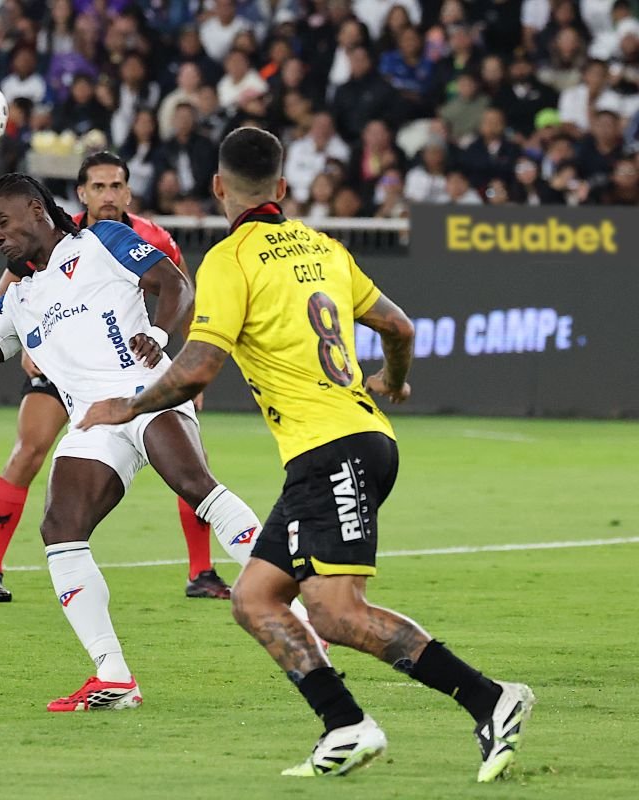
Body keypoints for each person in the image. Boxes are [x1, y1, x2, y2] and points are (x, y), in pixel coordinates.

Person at [78, 128, 534, 780]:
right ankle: (346, 726)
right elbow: (398, 328)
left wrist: (129, 405)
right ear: (283, 188)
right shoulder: (324, 248)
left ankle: (491, 699)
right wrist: (394, 379)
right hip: (347, 444)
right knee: (256, 597)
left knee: (336, 612)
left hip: (334, 450)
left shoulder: (230, 259)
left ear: (217, 187)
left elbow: (201, 365)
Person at [0, 174, 274, 712]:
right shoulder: (18, 301)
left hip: (146, 389)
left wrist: (160, 336)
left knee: (195, 487)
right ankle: (113, 675)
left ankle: (299, 612)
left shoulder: (101, 241)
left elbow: (176, 284)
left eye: (1, 222)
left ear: (35, 209)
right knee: (60, 530)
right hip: (93, 421)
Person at [0, 151, 230, 604]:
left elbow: (184, 291)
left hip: (130, 363)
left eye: (116, 186)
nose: (108, 194)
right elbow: (5, 293)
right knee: (29, 449)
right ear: (81, 193)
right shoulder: (45, 231)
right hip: (60, 364)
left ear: (128, 191)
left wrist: (189, 369)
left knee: (192, 463)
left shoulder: (146, 236)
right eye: (99, 186)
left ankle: (201, 569)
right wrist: (26, 347)